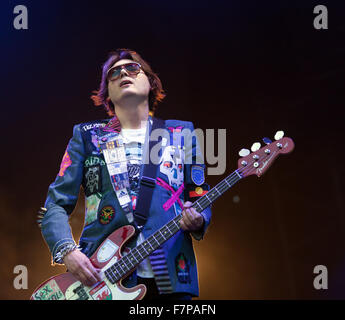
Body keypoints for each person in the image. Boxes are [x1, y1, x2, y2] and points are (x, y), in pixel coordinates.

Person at [38, 48, 212, 300]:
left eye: (132, 68)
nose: (122, 73)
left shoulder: (181, 132)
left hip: (170, 274)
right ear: (107, 92)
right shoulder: (87, 136)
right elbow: (55, 204)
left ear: (151, 82)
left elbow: (198, 194)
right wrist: (67, 251)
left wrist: (199, 218)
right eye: (113, 73)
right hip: (101, 278)